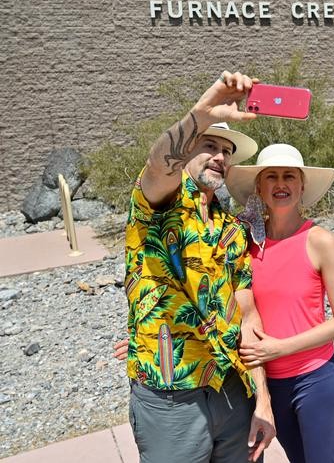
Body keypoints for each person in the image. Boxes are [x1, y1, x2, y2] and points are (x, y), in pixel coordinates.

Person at [120, 71, 276, 463]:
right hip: (172, 396)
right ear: (187, 150)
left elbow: (247, 314)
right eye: (209, 145)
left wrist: (263, 400)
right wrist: (199, 116)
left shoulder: (231, 229)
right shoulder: (157, 204)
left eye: (227, 151)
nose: (220, 157)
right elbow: (158, 165)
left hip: (232, 389)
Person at [225, 143, 334, 463]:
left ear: (301, 185)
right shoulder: (244, 243)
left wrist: (280, 348)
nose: (280, 184)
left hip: (315, 379)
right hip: (268, 384)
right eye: (271, 176)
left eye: (289, 176)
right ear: (259, 187)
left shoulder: (320, 241)